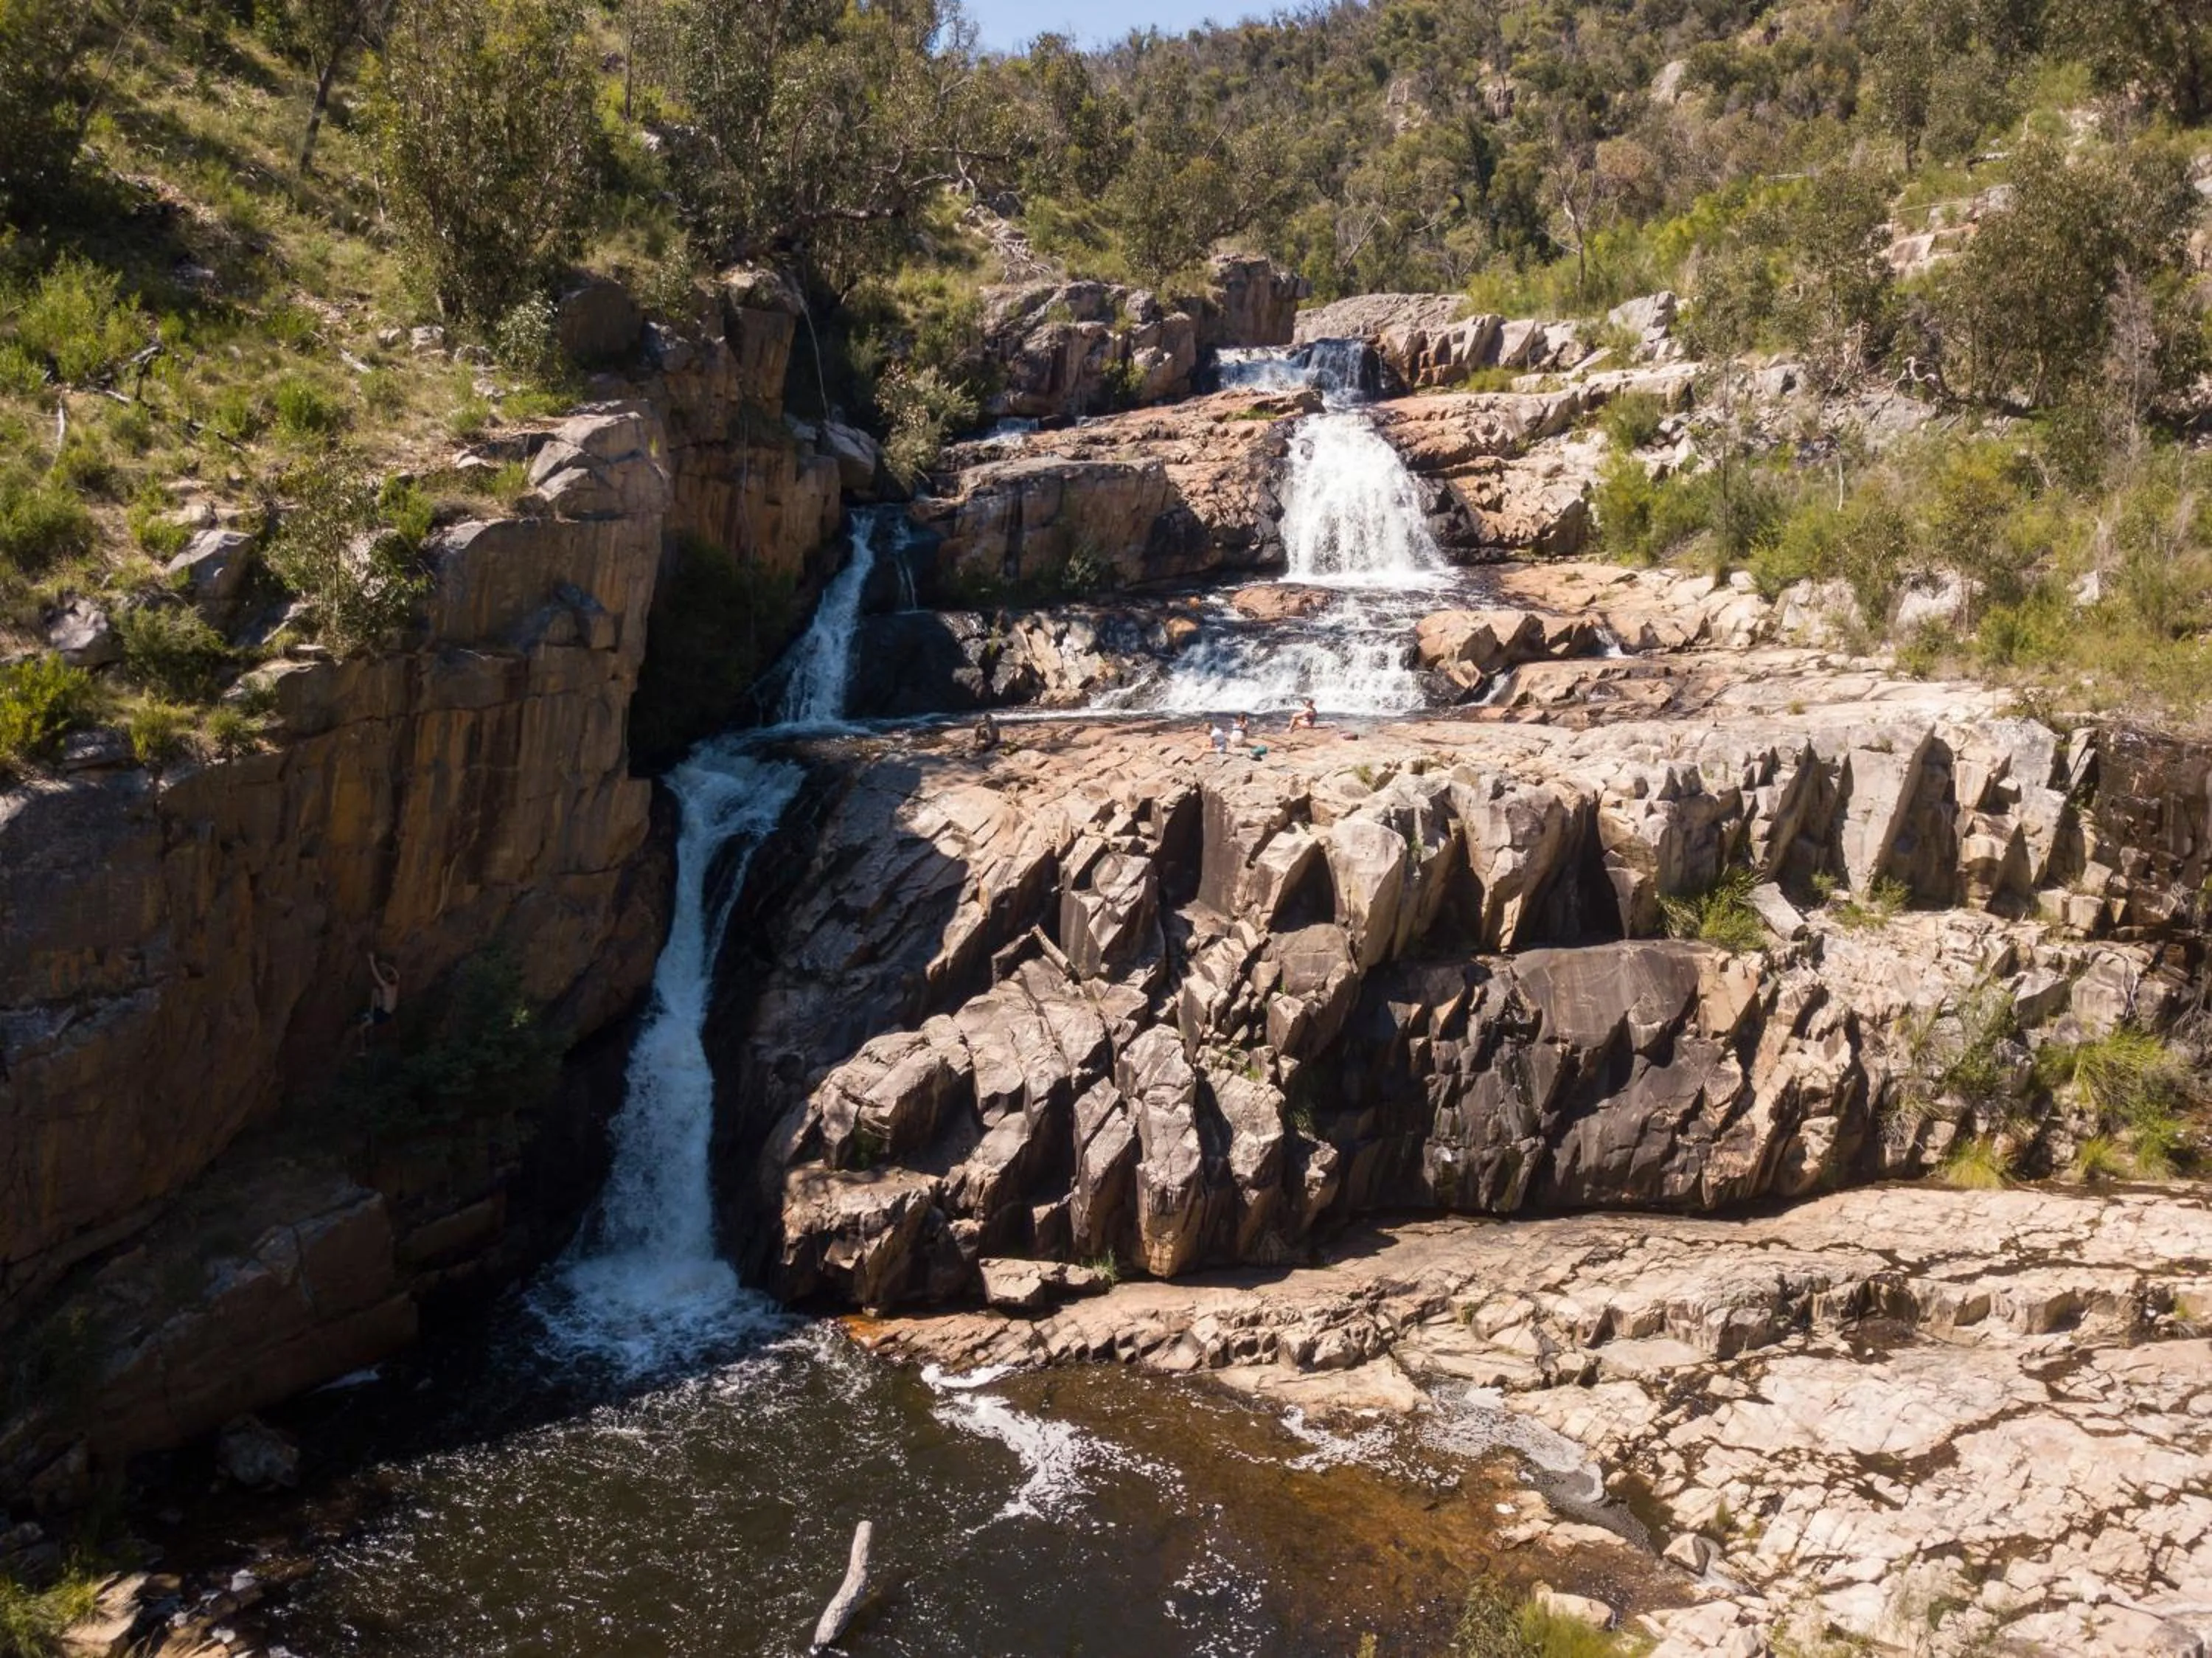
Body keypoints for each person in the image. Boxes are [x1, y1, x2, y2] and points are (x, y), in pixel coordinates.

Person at [359, 952, 399, 1052]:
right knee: (375, 991)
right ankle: (370, 1013)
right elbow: (396, 974)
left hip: (382, 1015)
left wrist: (371, 960)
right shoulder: (396, 985)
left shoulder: (386, 987)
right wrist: (387, 965)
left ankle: (363, 1049)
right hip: (385, 1010)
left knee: (361, 1029)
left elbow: (376, 974)